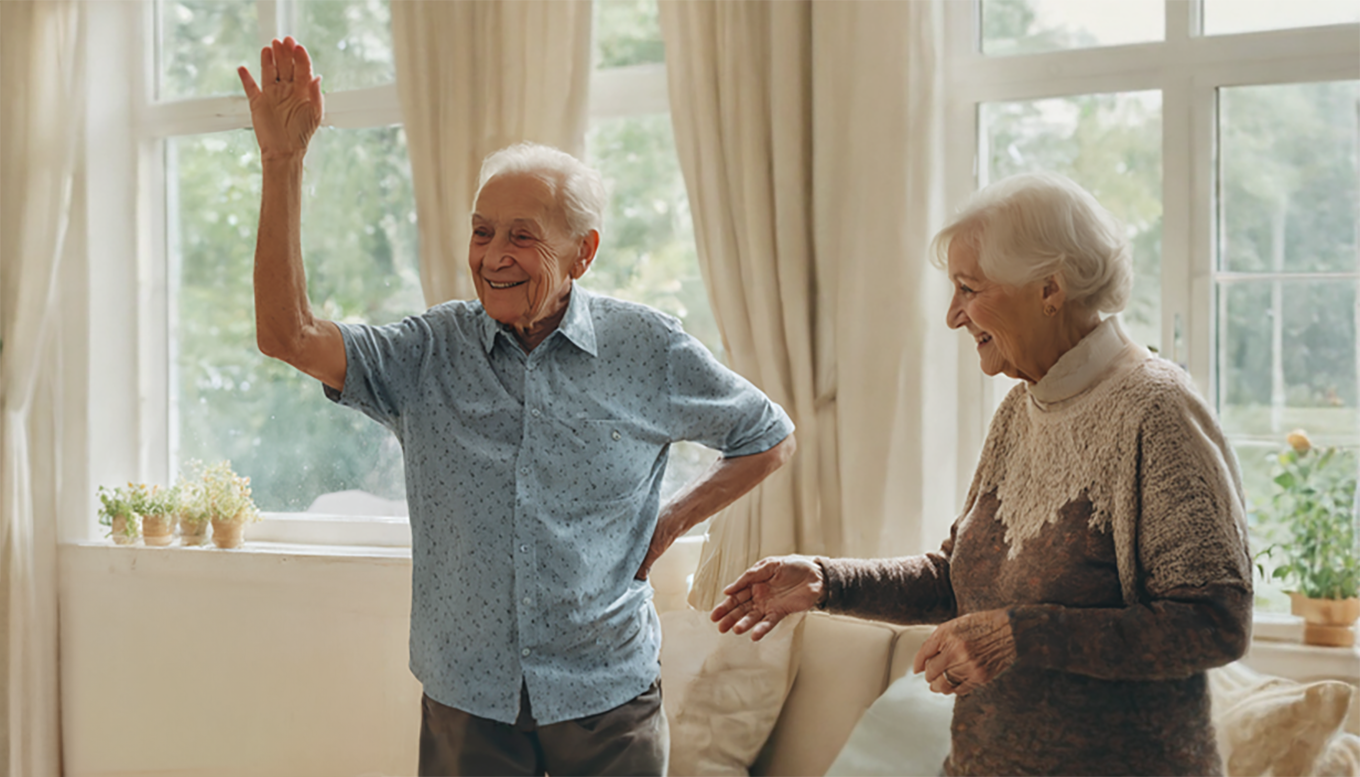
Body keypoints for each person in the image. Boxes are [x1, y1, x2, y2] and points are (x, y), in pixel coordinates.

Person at [237, 37, 796, 777]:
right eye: (482, 230)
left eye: (522, 236)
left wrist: (671, 521)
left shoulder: (646, 347)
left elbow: (768, 435)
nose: (493, 255)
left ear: (582, 252)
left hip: (606, 700)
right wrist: (283, 164)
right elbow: (287, 333)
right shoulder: (425, 351)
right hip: (468, 702)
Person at [712, 171, 1251, 776]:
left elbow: (1214, 622)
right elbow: (958, 580)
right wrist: (828, 580)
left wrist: (1022, 636)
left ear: (1050, 288)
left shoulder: (1156, 410)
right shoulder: (1022, 408)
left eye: (969, 288)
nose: (952, 316)